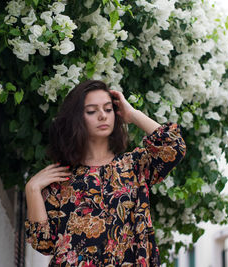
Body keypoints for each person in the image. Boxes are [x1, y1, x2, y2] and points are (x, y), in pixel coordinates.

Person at [24, 80, 186, 266]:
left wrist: (132, 114)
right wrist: (32, 188)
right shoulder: (61, 178)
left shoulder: (134, 165)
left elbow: (174, 146)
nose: (102, 116)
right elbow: (44, 243)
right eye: (92, 111)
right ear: (76, 117)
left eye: (108, 109)